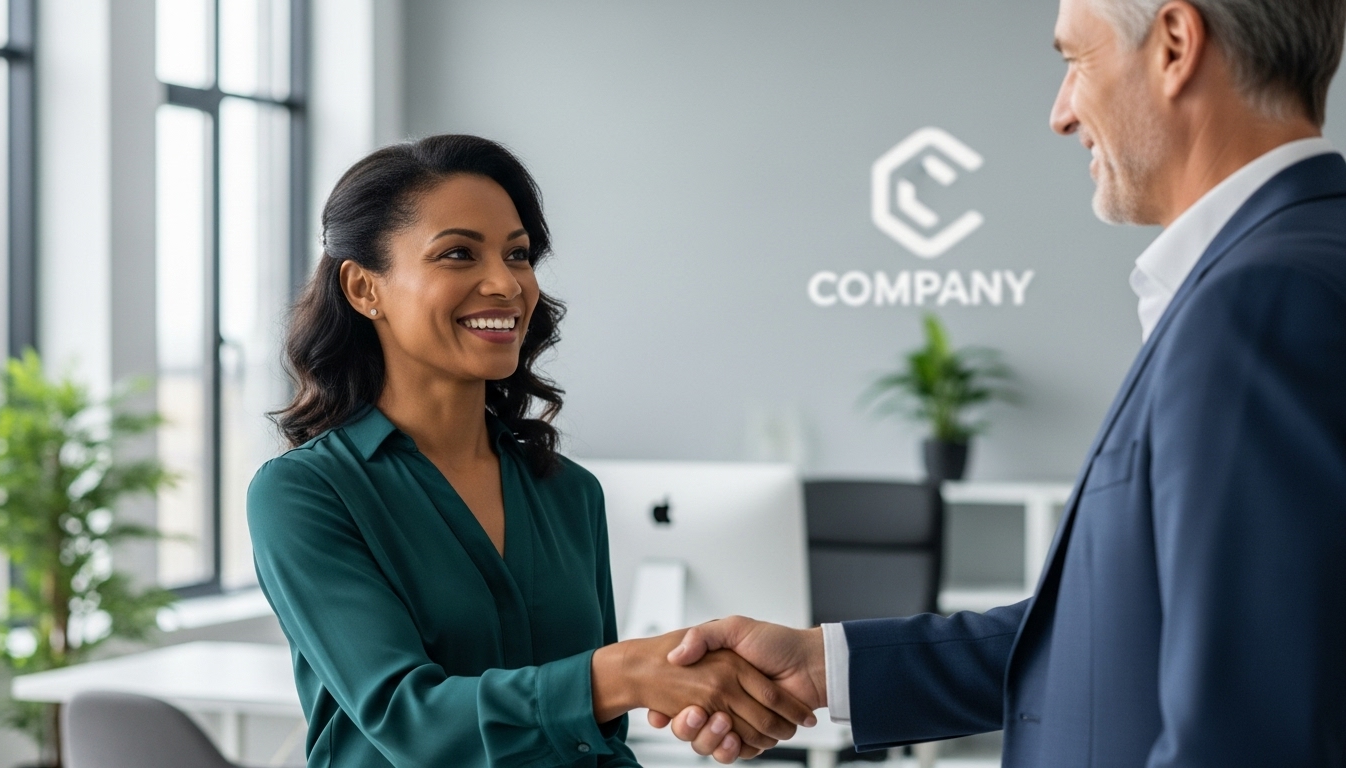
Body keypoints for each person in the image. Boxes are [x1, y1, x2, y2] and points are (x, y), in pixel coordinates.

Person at [653, 0, 1346, 764]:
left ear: (1175, 46)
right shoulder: (1282, 273)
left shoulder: (1263, 301)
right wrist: (823, 666)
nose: (1060, 114)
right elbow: (1106, 634)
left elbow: (1249, 735)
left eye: (1075, 61)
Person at [247, 135, 814, 767]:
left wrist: (695, 689)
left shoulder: (568, 491)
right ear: (363, 288)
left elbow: (598, 745)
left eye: (517, 255)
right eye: (458, 254)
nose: (506, 284)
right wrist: (628, 673)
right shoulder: (305, 494)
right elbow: (410, 722)